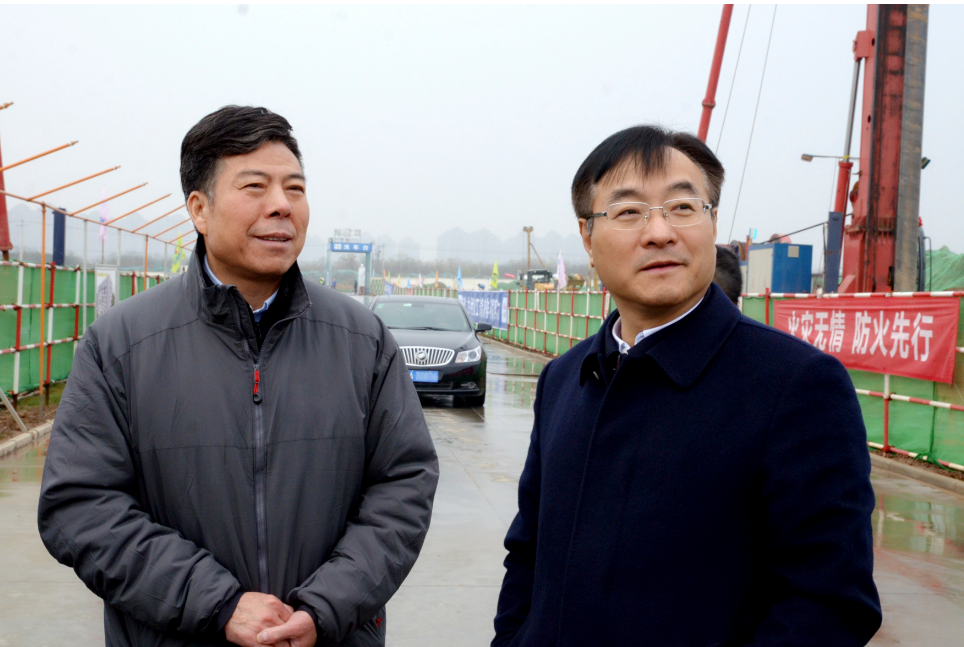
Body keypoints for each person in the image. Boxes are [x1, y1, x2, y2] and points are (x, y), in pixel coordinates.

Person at [39, 106, 439, 647]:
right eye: (255, 186)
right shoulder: (120, 345)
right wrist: (218, 603)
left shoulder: (362, 340)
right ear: (199, 209)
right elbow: (81, 506)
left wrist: (325, 606)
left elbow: (404, 483)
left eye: (294, 188)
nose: (281, 205)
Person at [492, 125, 881, 647]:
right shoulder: (563, 379)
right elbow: (527, 554)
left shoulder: (796, 386)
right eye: (629, 211)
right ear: (587, 237)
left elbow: (828, 604)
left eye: (682, 207)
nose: (659, 232)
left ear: (713, 222)